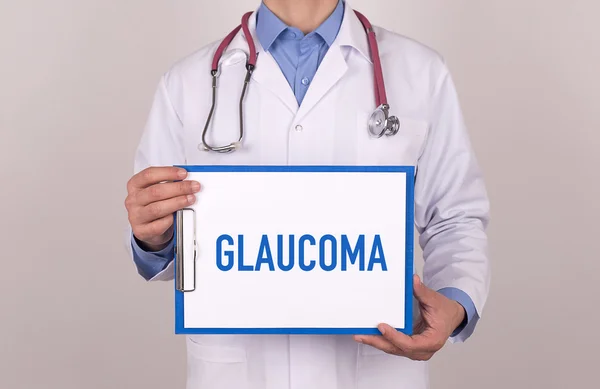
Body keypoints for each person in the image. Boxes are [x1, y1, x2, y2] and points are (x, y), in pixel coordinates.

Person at [124, 0, 491, 388]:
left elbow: (454, 218)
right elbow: (162, 236)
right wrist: (154, 236)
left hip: (376, 370)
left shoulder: (420, 72)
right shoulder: (187, 82)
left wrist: (455, 301)